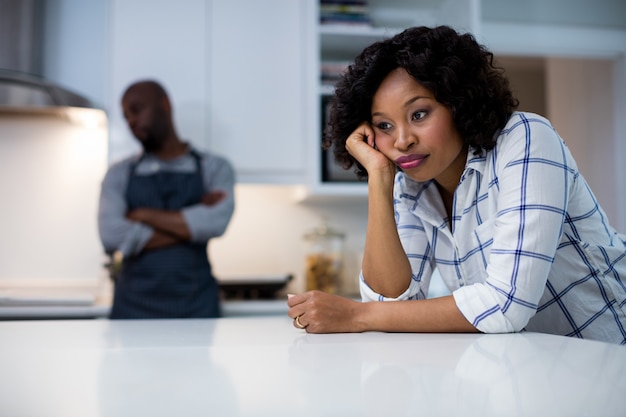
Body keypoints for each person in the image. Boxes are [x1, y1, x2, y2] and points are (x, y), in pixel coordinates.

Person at [287, 26, 626, 344]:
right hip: (534, 372)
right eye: (384, 125)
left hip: (609, 358)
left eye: (419, 114)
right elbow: (389, 299)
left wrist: (357, 316)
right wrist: (379, 178)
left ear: (456, 102)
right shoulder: (412, 187)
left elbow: (506, 305)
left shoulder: (527, 139)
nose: (402, 140)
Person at [98, 80, 235, 319]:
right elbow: (110, 234)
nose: (131, 121)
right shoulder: (118, 173)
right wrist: (191, 225)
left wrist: (142, 215)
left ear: (165, 104)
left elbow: (215, 223)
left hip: (197, 309)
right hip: (132, 310)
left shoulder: (215, 167)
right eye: (126, 116)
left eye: (137, 109)